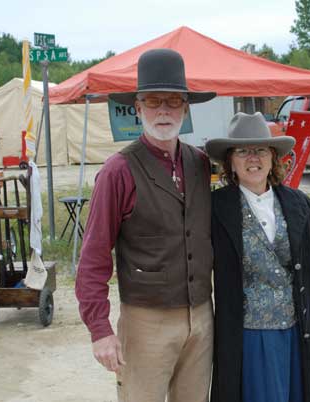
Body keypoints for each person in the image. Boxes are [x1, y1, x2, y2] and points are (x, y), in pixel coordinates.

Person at [75, 48, 216, 402]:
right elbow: (93, 256)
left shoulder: (199, 163)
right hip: (145, 322)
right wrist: (100, 329)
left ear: (186, 108)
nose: (164, 111)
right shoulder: (118, 172)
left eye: (173, 101)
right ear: (137, 108)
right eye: (154, 102)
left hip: (201, 317)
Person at [206, 112, 310, 402]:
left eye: (261, 150)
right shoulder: (215, 210)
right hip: (249, 337)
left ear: (273, 157)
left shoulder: (301, 206)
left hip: (297, 331)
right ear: (230, 162)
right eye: (243, 151)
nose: (253, 158)